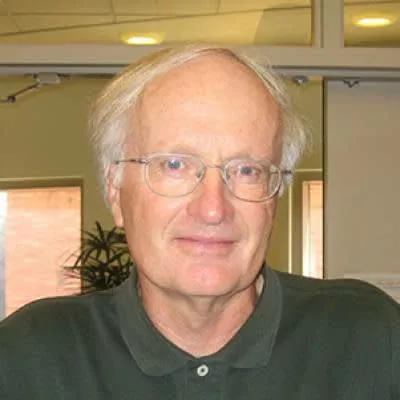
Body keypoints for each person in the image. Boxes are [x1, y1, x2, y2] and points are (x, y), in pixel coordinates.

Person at [0, 44, 399, 400]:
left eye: (247, 170)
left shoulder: (371, 343)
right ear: (116, 191)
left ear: (275, 195)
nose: (213, 209)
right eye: (174, 165)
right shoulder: (29, 359)